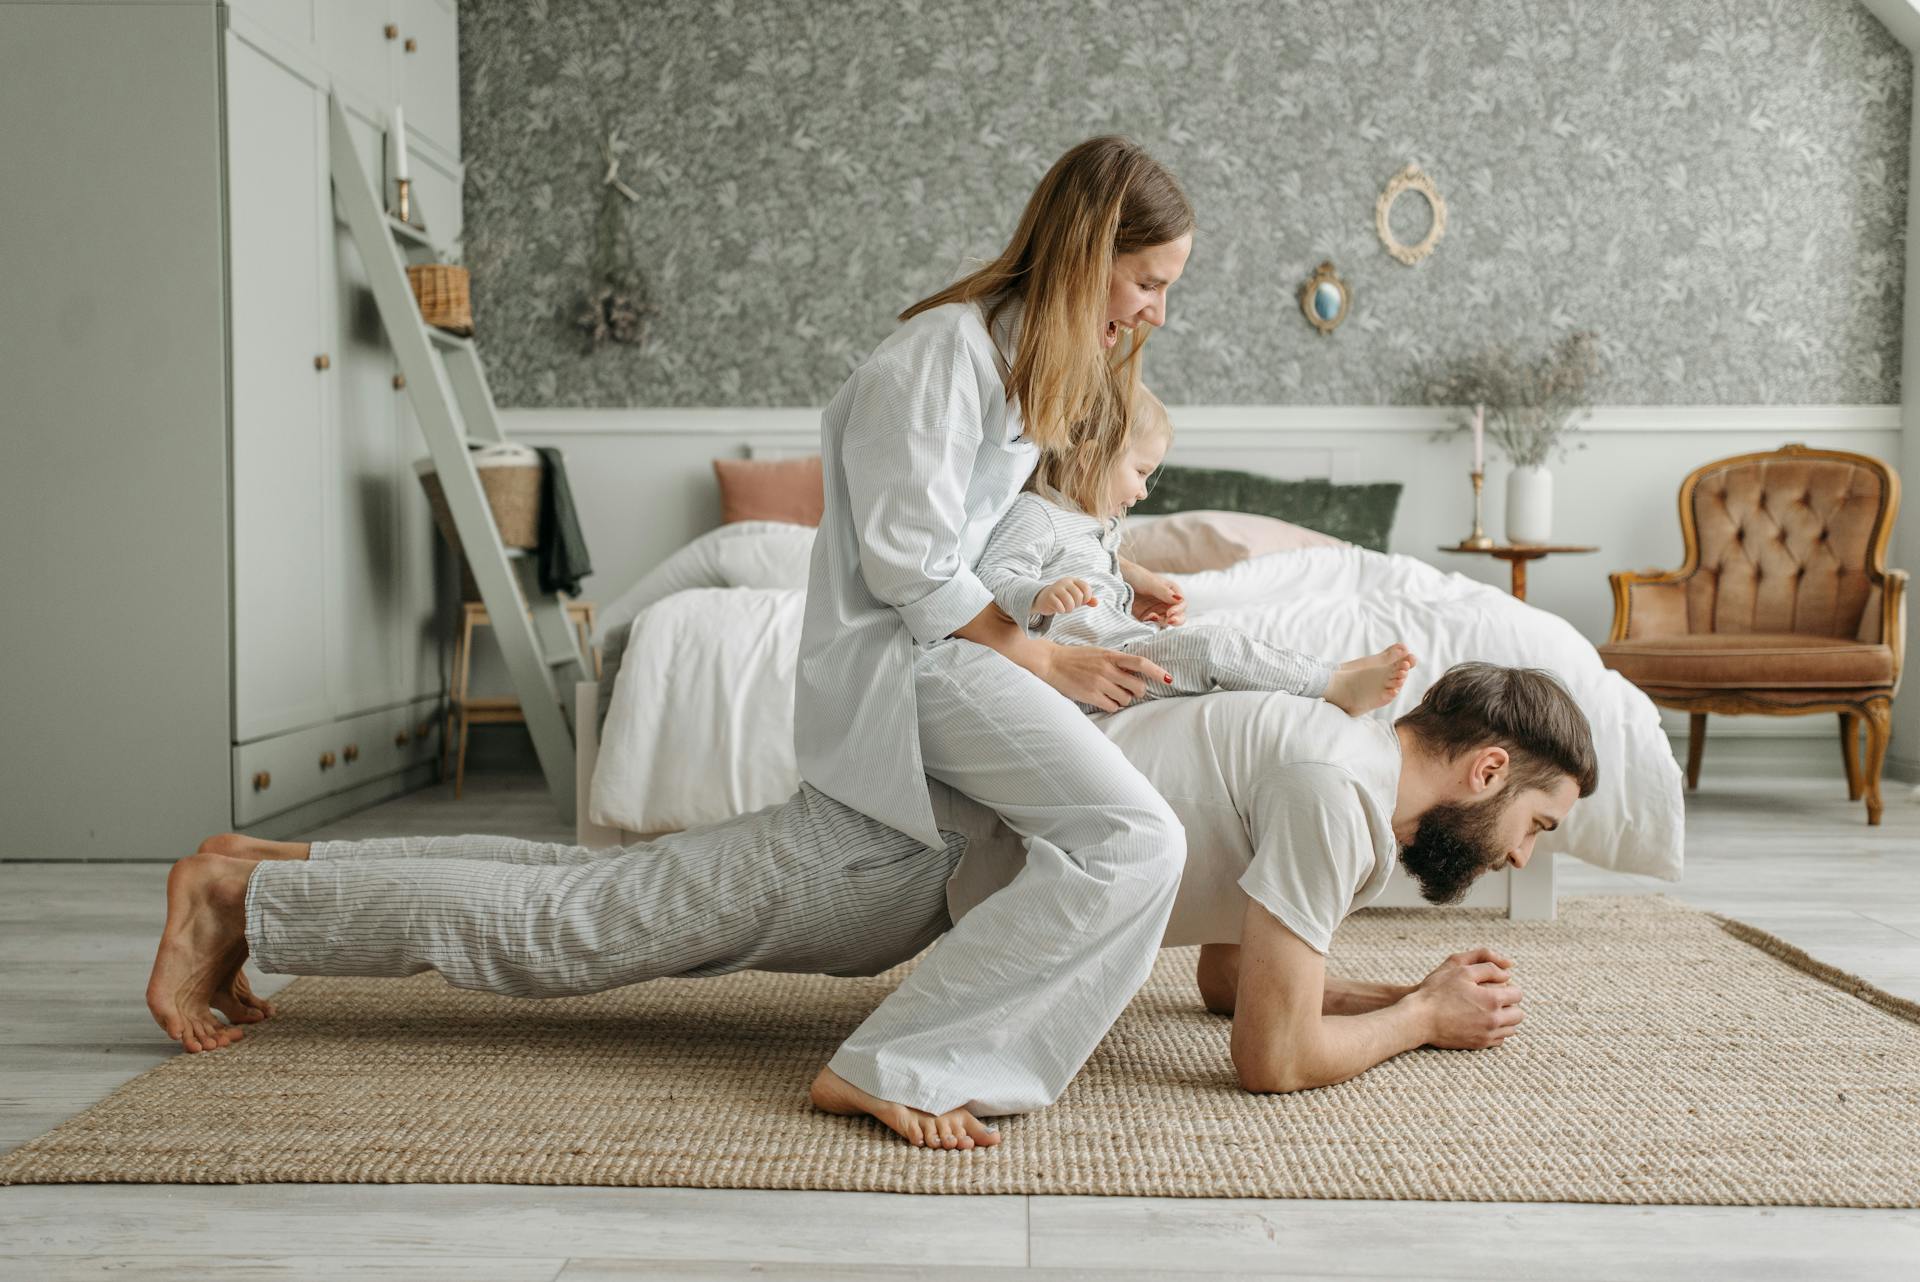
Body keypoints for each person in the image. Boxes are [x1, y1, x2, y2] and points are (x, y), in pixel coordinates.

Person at [147, 662, 1599, 1147]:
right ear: (1482, 765)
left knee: (600, 901)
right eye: (1534, 819)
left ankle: (271, 884)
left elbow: (1231, 984)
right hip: (906, 852)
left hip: (930, 872)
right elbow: (1267, 1058)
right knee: (580, 936)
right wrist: (1415, 1013)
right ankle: (231, 896)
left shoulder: (1335, 772)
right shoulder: (1342, 787)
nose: (1524, 853)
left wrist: (1369, 992)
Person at [791, 136, 1199, 1145]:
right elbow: (915, 568)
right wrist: (1047, 658)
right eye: (1147, 280)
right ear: (1089, 247)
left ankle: (935, 1052)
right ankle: (889, 1064)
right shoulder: (941, 353)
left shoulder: (1019, 368)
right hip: (908, 661)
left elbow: (1020, 535)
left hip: (953, 650)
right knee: (1136, 840)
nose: (1155, 310)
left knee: (1131, 838)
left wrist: (1119, 577)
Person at [974, 386, 1416, 716]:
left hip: (1124, 649)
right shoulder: (1036, 512)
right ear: (1089, 459)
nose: (1144, 492)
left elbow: (1092, 578)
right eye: (1140, 471)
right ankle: (1331, 684)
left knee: (1215, 639)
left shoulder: (1088, 523)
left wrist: (1132, 588)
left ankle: (1336, 671)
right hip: (1090, 677)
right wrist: (1037, 595)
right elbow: (991, 577)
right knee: (1210, 648)